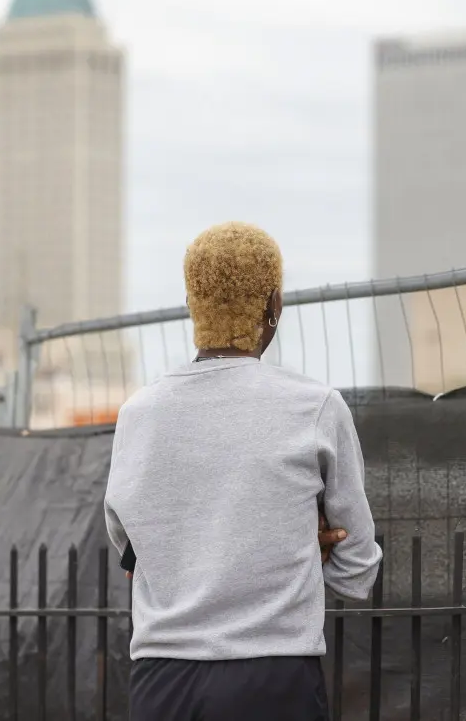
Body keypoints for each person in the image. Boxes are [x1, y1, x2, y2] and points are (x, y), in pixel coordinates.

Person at [104, 221, 382, 721]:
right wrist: (295, 542)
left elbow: (131, 550)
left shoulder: (138, 414)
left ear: (193, 303)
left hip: (162, 681)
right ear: (273, 305)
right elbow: (359, 570)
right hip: (274, 676)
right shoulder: (315, 407)